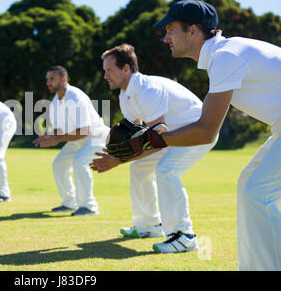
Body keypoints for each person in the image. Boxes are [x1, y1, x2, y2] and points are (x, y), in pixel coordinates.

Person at [150, 0, 281, 270]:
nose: (165, 39)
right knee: (250, 187)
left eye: (171, 30)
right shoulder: (223, 54)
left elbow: (206, 131)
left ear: (194, 31)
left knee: (256, 191)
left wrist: (155, 139)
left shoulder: (225, 57)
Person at [90, 44, 217, 253]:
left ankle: (184, 236)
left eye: (109, 70)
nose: (105, 76)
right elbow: (138, 136)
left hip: (198, 130)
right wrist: (115, 154)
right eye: (104, 71)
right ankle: (149, 225)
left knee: (167, 170)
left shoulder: (147, 89)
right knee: (140, 168)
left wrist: (118, 160)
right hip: (173, 136)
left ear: (126, 69)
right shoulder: (125, 95)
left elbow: (156, 139)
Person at [33, 66, 110, 216]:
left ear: (63, 79)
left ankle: (89, 206)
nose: (48, 82)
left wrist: (57, 138)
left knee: (80, 161)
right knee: (59, 164)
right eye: (47, 79)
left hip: (96, 136)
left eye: (52, 79)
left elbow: (84, 130)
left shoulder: (76, 97)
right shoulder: (56, 101)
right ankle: (70, 202)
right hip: (78, 138)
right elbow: (60, 131)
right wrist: (50, 137)